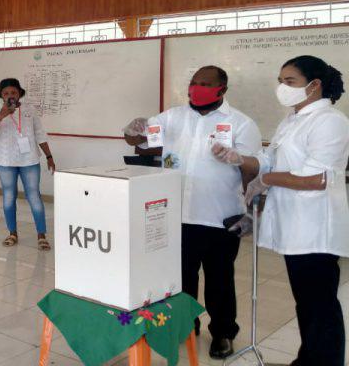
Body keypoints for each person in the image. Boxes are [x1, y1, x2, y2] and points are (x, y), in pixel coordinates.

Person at [212, 56, 349, 366]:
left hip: (315, 229)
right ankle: (308, 359)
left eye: (290, 82)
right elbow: (268, 160)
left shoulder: (330, 120)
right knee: (307, 304)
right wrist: (238, 159)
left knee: (320, 306)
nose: (282, 87)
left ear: (314, 85)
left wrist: (267, 179)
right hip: (294, 227)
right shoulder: (292, 119)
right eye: (281, 80)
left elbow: (320, 178)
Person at [123, 65, 262, 360]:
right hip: (176, 214)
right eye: (193, 82)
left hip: (220, 216)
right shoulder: (172, 117)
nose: (196, 88)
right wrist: (132, 130)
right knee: (180, 277)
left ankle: (223, 332)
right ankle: (185, 324)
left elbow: (251, 167)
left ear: (222, 90)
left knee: (219, 280)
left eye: (204, 83)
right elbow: (140, 143)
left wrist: (249, 210)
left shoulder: (241, 123)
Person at [0, 78, 55, 251]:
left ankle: (41, 235)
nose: (10, 96)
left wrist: (49, 156)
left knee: (33, 196)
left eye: (14, 92)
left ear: (20, 93)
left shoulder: (30, 110)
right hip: (5, 160)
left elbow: (40, 134)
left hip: (29, 159)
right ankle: (12, 233)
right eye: (6, 93)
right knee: (9, 196)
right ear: (1, 95)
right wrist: (0, 116)